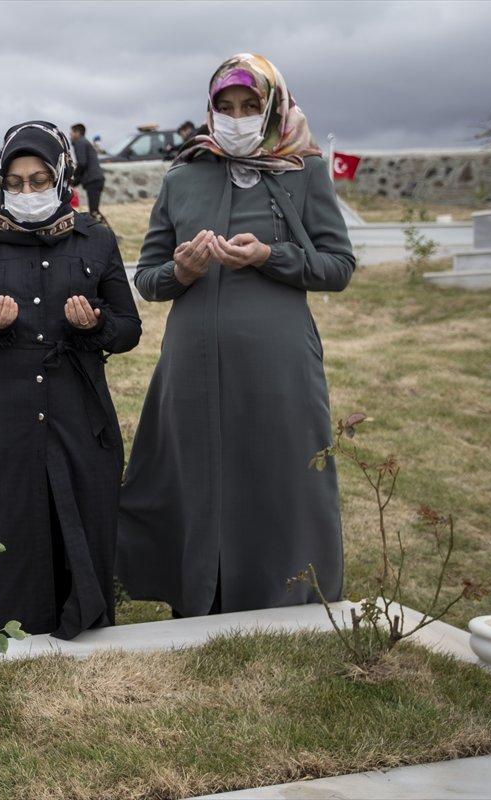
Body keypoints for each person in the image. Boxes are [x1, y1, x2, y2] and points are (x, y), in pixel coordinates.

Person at [117, 53, 355, 619]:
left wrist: (271, 256)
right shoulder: (183, 175)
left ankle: (284, 594)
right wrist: (184, 271)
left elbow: (338, 266)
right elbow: (148, 279)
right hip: (192, 357)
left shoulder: (303, 171)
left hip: (278, 360)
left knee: (275, 471)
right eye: (225, 107)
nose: (237, 116)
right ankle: (195, 591)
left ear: (273, 106)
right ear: (209, 110)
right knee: (193, 472)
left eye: (250, 106)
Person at [0, 120, 142, 639]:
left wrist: (94, 324)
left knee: (83, 511)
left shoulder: (95, 239)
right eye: (17, 182)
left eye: (39, 180)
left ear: (63, 178)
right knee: (10, 515)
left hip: (79, 411)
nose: (27, 192)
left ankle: (86, 614)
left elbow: (129, 329)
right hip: (4, 412)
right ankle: (12, 626)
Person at [69, 123, 106, 222]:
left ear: (77, 133)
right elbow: (84, 166)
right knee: (94, 211)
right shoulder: (84, 142)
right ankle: (108, 233)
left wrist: (73, 177)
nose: (70, 136)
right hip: (95, 179)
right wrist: (74, 182)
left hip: (93, 180)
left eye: (71, 133)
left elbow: (82, 163)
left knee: (94, 212)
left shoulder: (79, 143)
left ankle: (109, 234)